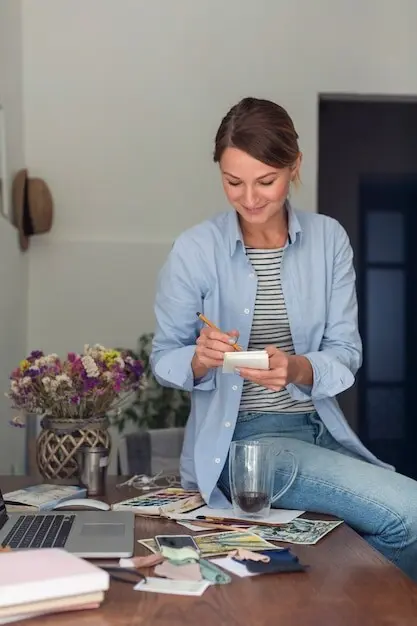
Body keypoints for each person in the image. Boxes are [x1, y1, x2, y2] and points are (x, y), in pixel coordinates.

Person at [150, 96, 417, 581]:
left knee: (401, 522)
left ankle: (328, 602)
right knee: (412, 513)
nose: (249, 198)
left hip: (322, 430)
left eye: (265, 181)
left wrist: (296, 368)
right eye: (233, 182)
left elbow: (346, 353)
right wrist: (201, 358)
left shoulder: (328, 239)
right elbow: (164, 356)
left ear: (294, 166)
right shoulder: (195, 249)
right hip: (244, 443)